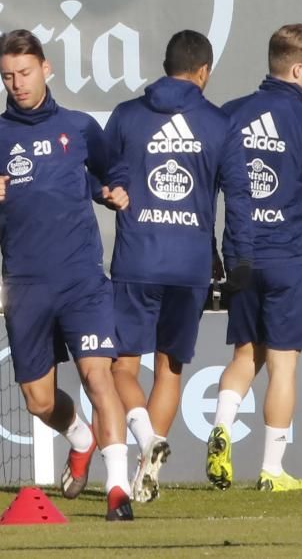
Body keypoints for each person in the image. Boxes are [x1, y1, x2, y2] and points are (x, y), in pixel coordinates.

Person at [0, 29, 134, 521]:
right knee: (38, 400)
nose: (17, 83)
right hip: (26, 285)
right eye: (7, 75)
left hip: (82, 279)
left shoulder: (81, 127)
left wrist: (114, 191)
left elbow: (113, 172)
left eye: (24, 73)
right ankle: (81, 437)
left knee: (98, 378)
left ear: (46, 69)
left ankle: (117, 491)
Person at [104, 31, 252, 502]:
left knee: (122, 367)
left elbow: (100, 176)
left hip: (136, 260)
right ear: (204, 72)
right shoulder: (218, 123)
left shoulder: (128, 115)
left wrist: (109, 193)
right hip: (190, 266)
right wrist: (238, 263)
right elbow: (240, 197)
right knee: (169, 367)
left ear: (164, 64)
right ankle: (151, 468)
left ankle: (147, 440)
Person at [206, 23, 302, 492]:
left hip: (241, 256)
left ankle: (221, 429)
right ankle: (271, 471)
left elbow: (207, 189)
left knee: (245, 355)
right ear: (298, 68)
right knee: (283, 364)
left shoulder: (229, 115)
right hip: (287, 257)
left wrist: (211, 251)